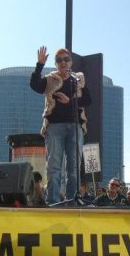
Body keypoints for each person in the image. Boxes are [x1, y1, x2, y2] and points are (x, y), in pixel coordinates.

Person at [29, 46, 92, 205]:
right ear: (56, 63)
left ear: (70, 61)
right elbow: (34, 85)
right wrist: (39, 65)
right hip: (55, 127)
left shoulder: (78, 79)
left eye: (66, 59)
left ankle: (72, 202)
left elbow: (88, 100)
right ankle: (53, 201)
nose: (63, 62)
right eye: (59, 60)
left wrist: (70, 100)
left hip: (75, 127)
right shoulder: (50, 79)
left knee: (74, 167)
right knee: (54, 167)